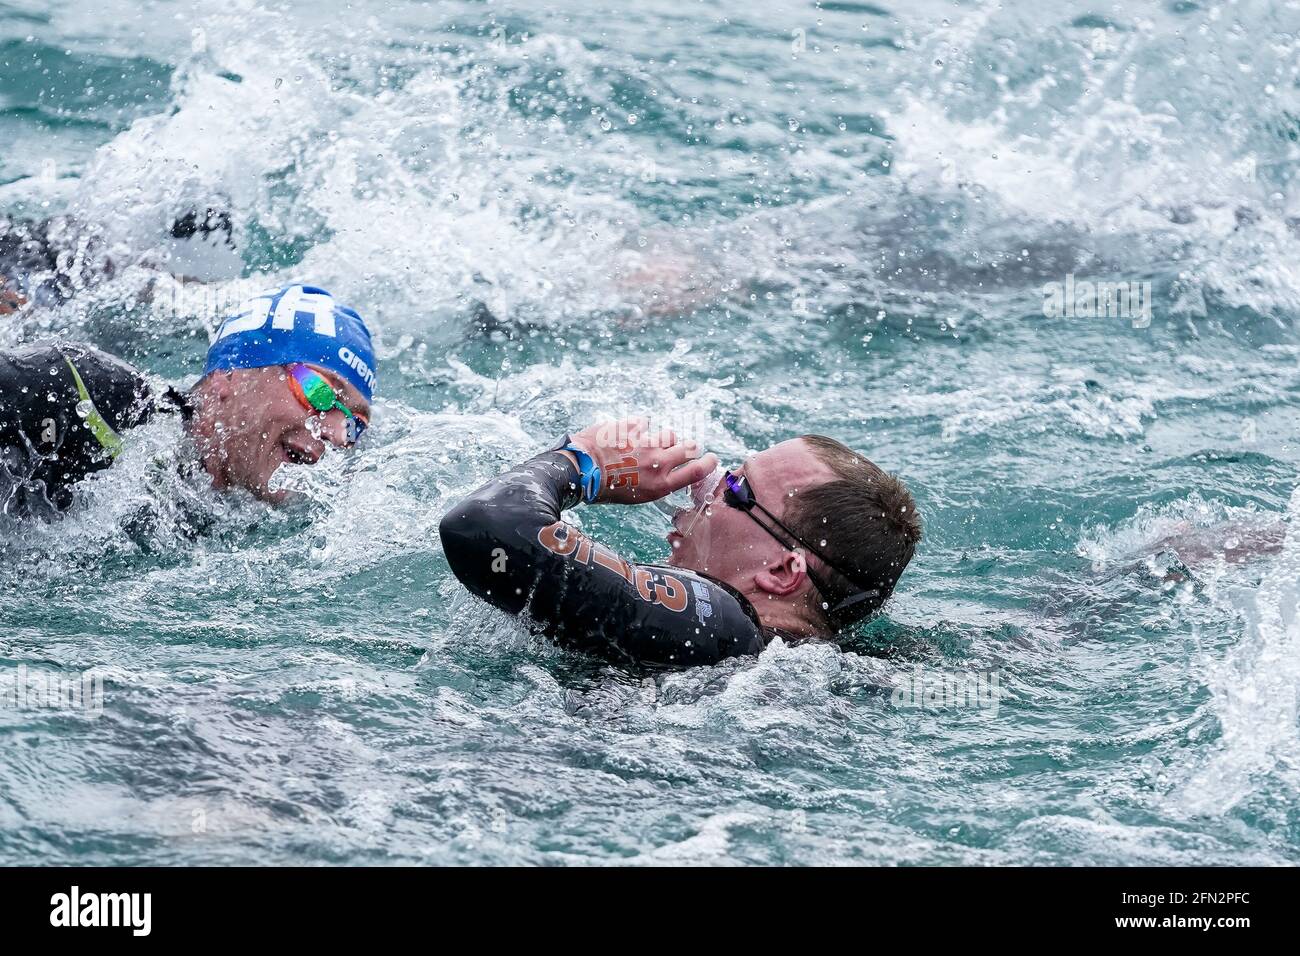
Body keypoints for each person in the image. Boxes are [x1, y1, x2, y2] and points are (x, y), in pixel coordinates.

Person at [439, 418, 921, 667]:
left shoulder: (717, 621)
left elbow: (484, 526)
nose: (701, 486)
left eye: (735, 489)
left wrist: (581, 464)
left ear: (781, 571)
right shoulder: (792, 657)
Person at [0, 284, 374, 516]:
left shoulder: (242, 527)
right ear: (232, 374)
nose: (337, 434)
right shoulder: (81, 391)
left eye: (355, 424)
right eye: (319, 392)